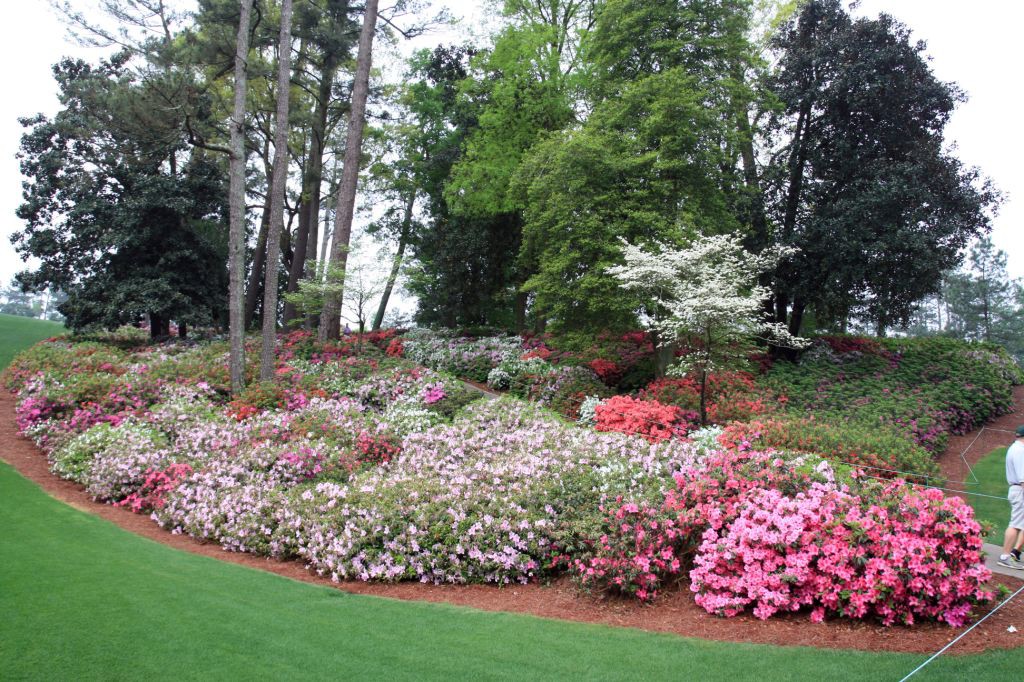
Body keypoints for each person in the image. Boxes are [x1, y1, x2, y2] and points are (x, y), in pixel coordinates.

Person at [998, 425, 1024, 569]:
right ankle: (1005, 556)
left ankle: (1012, 554)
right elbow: (1023, 477)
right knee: (1015, 524)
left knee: (1018, 523)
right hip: (1020, 490)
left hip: (1015, 489)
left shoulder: (1013, 448)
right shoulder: (1020, 451)